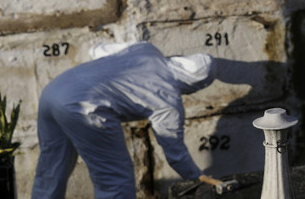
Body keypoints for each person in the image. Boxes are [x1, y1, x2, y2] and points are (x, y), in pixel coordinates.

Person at [31, 41, 222, 198]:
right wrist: (198, 177)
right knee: (115, 181)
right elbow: (175, 153)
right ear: (196, 85)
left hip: (53, 91)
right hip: (86, 107)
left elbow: (97, 49)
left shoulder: (146, 49)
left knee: (51, 170)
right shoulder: (168, 99)